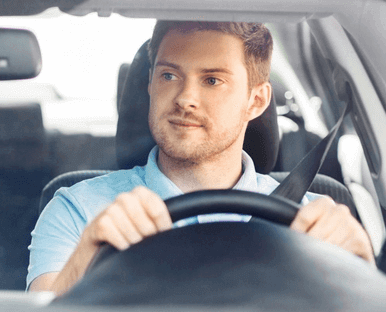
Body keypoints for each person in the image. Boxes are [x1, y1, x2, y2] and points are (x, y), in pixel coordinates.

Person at [27, 21, 374, 295]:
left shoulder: (313, 222)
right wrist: (89, 256)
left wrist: (364, 267)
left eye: (211, 80)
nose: (185, 98)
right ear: (150, 85)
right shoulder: (82, 210)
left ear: (255, 101)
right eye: (169, 75)